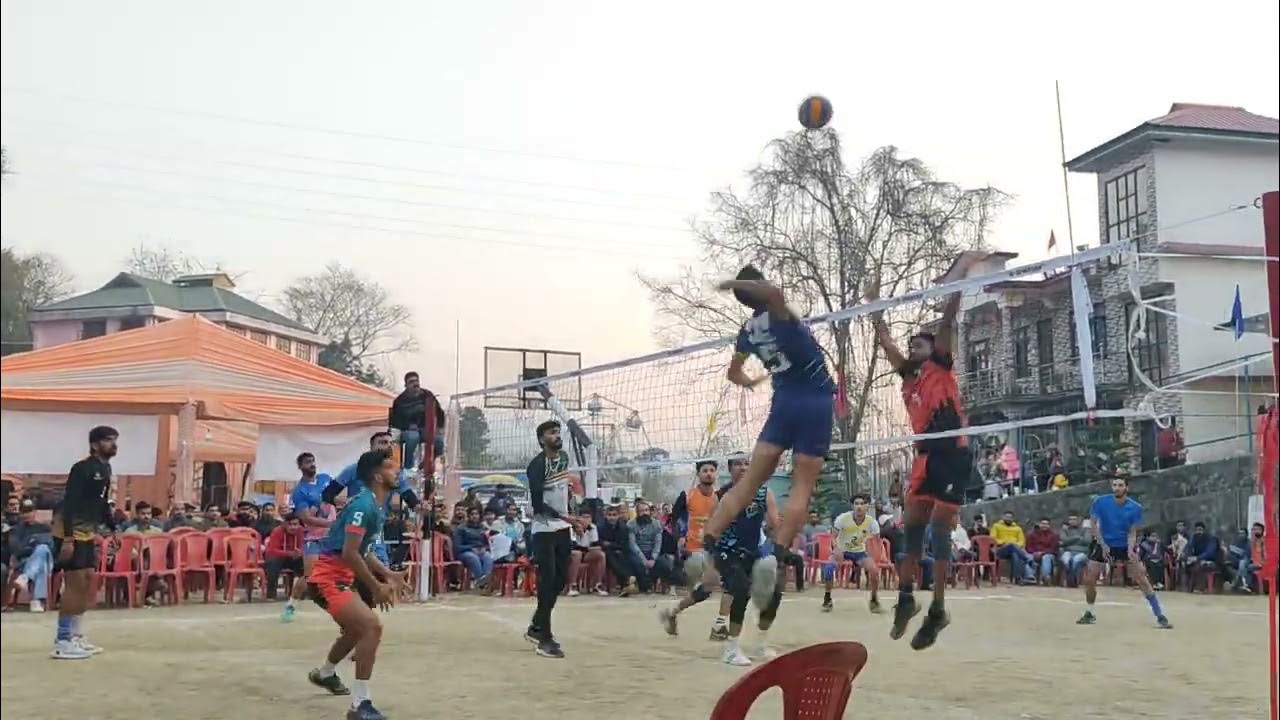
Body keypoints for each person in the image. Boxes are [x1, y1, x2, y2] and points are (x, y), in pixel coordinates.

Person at [703, 266, 836, 568]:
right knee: (802, 483)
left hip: (784, 402)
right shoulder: (779, 312)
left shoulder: (747, 331)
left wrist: (748, 381)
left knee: (750, 481)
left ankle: (708, 540)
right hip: (815, 400)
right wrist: (736, 281)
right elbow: (775, 293)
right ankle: (777, 552)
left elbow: (732, 373)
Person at [870, 289, 967, 650]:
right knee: (911, 529)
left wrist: (954, 285)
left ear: (935, 351)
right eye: (911, 346)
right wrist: (875, 307)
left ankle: (938, 608)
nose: (913, 349)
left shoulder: (941, 366)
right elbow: (886, 343)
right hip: (925, 457)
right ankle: (907, 597)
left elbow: (946, 321)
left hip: (952, 454)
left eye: (919, 346)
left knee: (940, 532)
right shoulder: (908, 380)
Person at [306, 448, 408, 720]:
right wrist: (376, 586)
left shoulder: (373, 503)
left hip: (339, 578)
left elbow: (361, 550)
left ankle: (325, 673)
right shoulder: (363, 506)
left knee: (355, 631)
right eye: (390, 467)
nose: (395, 471)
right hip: (327, 579)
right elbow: (349, 553)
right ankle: (360, 705)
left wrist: (388, 573)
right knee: (371, 627)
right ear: (377, 475)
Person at [659, 479, 783, 666]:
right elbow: (710, 526)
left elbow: (773, 522)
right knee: (715, 587)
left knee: (749, 589)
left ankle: (745, 636)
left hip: (752, 551)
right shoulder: (721, 497)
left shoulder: (761, 494)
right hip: (725, 551)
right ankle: (683, 615)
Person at [50, 425, 117, 659]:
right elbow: (69, 504)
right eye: (108, 440)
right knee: (75, 583)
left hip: (87, 533)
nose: (113, 444)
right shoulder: (81, 469)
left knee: (87, 581)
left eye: (114, 440)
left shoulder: (105, 468)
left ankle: (76, 636)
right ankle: (62, 640)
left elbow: (102, 502)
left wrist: (112, 527)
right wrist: (68, 538)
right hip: (69, 532)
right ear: (95, 444)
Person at [1077, 477, 1171, 629]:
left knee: (1141, 577)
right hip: (1103, 542)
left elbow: (1132, 532)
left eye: (1120, 485)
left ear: (1126, 488)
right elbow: (1094, 525)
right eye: (1114, 485)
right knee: (1090, 579)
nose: (1117, 488)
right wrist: (1103, 544)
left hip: (1123, 544)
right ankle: (1089, 612)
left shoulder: (1135, 508)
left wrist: (1130, 549)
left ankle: (1159, 615)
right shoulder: (1100, 502)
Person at [524, 420, 577, 659]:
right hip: (544, 528)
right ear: (541, 439)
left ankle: (537, 625)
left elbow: (564, 492)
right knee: (548, 580)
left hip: (563, 527)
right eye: (551, 433)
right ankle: (544, 637)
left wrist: (574, 515)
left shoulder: (564, 458)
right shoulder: (537, 465)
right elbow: (537, 505)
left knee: (560, 581)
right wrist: (564, 516)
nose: (556, 436)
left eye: (557, 432)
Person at [283, 453, 334, 623]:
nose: (311, 464)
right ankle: (291, 605)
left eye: (312, 461)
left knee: (343, 569)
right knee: (309, 575)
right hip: (314, 537)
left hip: (333, 536)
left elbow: (340, 496)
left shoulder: (325, 479)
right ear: (300, 467)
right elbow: (306, 518)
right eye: (307, 462)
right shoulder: (300, 491)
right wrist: (329, 523)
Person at [822, 493, 882, 614]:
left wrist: (876, 556)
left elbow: (876, 542)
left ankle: (874, 599)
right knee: (828, 568)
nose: (859, 507)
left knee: (874, 571)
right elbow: (833, 537)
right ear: (852, 506)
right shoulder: (842, 518)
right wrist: (836, 548)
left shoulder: (872, 523)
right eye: (856, 504)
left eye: (862, 504)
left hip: (859, 552)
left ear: (867, 506)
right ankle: (827, 597)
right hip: (842, 550)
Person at [388, 371, 444, 471]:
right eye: (411, 382)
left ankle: (427, 462)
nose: (415, 384)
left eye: (417, 381)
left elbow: (439, 412)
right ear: (406, 385)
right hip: (408, 431)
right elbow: (395, 422)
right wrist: (408, 426)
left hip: (425, 430)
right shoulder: (399, 401)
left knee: (439, 441)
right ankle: (408, 467)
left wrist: (439, 427)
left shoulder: (427, 395)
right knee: (412, 438)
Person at [7, 499, 54, 612]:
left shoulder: (44, 528)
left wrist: (31, 543)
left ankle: (26, 577)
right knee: (41, 559)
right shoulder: (16, 530)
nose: (27, 515)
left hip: (47, 561)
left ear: (35, 512)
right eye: (24, 512)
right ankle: (36, 600)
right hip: (24, 562)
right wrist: (34, 544)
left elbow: (52, 547)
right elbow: (17, 550)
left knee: (43, 550)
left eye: (30, 511)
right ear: (21, 513)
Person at [264, 514, 305, 600]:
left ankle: (298, 593)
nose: (293, 527)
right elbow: (273, 550)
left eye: (295, 524)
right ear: (284, 524)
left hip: (294, 557)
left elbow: (302, 546)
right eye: (290, 524)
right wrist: (289, 553)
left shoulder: (301, 530)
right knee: (272, 563)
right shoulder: (277, 531)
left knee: (305, 563)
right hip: (278, 557)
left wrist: (300, 553)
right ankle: (271, 595)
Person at [567, 509, 607, 597]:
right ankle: (572, 586)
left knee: (601, 555)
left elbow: (595, 544)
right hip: (572, 554)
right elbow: (573, 545)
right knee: (577, 554)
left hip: (586, 553)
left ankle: (597, 585)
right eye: (583, 517)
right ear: (578, 518)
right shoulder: (571, 527)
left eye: (588, 517)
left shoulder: (593, 527)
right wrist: (580, 534)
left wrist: (591, 548)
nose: (586, 520)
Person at [991, 511, 1035, 584]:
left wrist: (1016, 545)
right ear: (1003, 517)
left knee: (1015, 554)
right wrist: (1003, 542)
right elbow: (993, 539)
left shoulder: (1018, 528)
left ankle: (1018, 578)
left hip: (1015, 549)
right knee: (1011, 546)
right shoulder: (996, 526)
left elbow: (1022, 541)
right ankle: (1026, 558)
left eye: (1010, 517)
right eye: (1006, 517)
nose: (1008, 519)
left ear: (1013, 519)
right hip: (1001, 549)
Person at [1182, 522, 1221, 592]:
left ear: (1204, 530)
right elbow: (1188, 548)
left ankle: (1199, 588)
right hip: (1197, 560)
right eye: (1197, 530)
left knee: (1200, 566)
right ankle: (1187, 587)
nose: (1198, 532)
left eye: (1200, 530)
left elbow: (1209, 553)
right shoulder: (1194, 538)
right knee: (1185, 564)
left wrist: (1197, 558)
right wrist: (1188, 557)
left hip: (1212, 561)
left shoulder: (1211, 539)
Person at [1025, 517, 1060, 584]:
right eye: (1043, 524)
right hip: (1033, 553)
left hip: (1048, 554)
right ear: (1039, 524)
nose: (1044, 525)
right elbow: (1028, 547)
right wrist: (1034, 553)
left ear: (1049, 526)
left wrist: (1042, 553)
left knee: (1046, 557)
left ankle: (1045, 577)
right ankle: (1030, 577)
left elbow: (1053, 549)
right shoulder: (1032, 534)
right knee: (1026, 558)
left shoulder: (1054, 535)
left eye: (1046, 524)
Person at [1059, 513, 1091, 586]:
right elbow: (1063, 540)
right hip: (1068, 552)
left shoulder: (1086, 530)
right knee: (1066, 560)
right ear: (1068, 521)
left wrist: (1069, 541)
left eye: (1074, 519)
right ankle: (1073, 579)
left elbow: (1087, 541)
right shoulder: (1064, 530)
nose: (1072, 521)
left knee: (1075, 560)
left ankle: (1071, 579)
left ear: (1079, 520)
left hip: (1082, 553)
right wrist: (1077, 537)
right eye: (1071, 519)